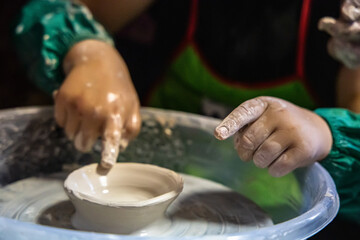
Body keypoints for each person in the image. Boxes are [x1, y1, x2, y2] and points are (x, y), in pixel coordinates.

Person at [13, 0, 360, 226]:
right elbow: (52, 8)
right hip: (150, 177)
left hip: (278, 218)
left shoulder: (345, 21)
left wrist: (325, 132)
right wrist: (87, 51)